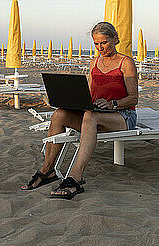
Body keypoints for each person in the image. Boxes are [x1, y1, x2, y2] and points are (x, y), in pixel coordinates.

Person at [21, 21, 138, 199]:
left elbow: (133, 98)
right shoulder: (93, 63)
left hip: (122, 115)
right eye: (96, 44)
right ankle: (48, 170)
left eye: (104, 42)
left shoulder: (126, 63)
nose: (100, 47)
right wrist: (76, 102)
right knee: (60, 114)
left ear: (115, 39)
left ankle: (76, 178)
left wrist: (112, 104)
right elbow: (90, 93)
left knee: (90, 117)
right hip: (96, 114)